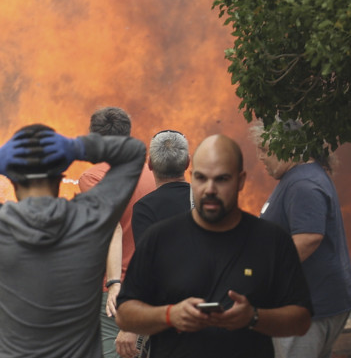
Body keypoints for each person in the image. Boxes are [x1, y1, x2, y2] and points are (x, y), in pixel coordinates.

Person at [0, 122, 146, 357]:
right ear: (59, 180)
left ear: (13, 181)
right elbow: (133, 152)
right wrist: (74, 148)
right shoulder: (90, 219)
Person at [115, 134, 313, 358]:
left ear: (240, 180)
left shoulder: (271, 240)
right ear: (191, 177)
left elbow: (301, 319)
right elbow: (125, 314)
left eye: (221, 179)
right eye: (201, 178)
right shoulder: (159, 238)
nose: (210, 189)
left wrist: (254, 317)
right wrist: (169, 315)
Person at [252, 122, 351, 358]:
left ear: (287, 146)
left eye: (264, 150)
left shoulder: (303, 184)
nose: (260, 158)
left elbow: (308, 238)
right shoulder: (299, 178)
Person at [77, 107, 155, 358]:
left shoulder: (93, 177)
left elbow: (111, 228)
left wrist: (113, 283)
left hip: (114, 291)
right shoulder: (150, 173)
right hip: (151, 284)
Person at [130, 129, 191, 245]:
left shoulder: (144, 208)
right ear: (188, 162)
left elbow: (145, 259)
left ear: (150, 163)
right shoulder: (207, 199)